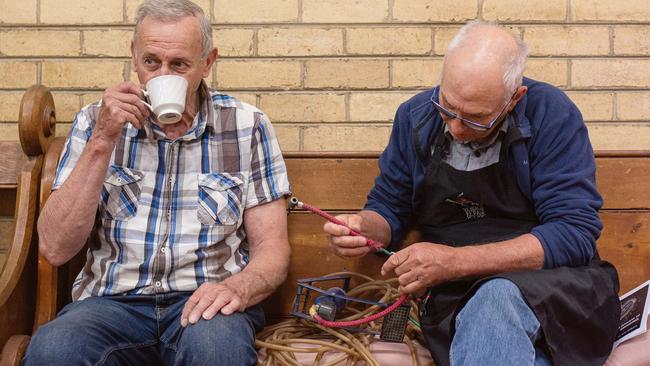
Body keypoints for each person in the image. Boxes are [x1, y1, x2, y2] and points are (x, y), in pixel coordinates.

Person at [324, 21, 620, 366]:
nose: (456, 128)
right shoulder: (414, 117)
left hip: (556, 287)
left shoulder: (551, 114)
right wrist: (363, 229)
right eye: (447, 107)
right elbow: (389, 207)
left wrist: (453, 261)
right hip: (456, 295)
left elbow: (573, 232)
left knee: (496, 296)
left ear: (514, 99)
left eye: (476, 119)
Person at [23, 0, 291, 365]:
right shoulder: (94, 123)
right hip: (111, 304)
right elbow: (54, 248)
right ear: (134, 57)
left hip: (203, 302)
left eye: (178, 64)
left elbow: (273, 251)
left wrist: (235, 289)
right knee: (55, 350)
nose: (162, 74)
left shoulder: (246, 126)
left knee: (218, 352)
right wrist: (102, 141)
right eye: (151, 62)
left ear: (207, 62)